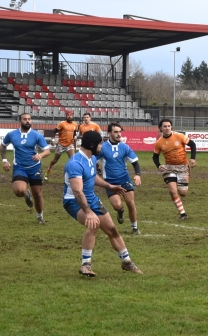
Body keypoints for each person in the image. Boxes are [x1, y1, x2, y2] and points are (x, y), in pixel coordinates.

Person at [63, 131, 143, 277]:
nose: (101, 146)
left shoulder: (91, 158)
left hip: (91, 198)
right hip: (74, 201)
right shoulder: (75, 163)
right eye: (99, 143)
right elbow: (77, 192)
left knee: (112, 229)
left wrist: (109, 186)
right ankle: (85, 265)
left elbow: (92, 178)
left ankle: (126, 262)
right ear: (92, 145)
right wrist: (88, 212)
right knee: (94, 224)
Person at [0, 113, 50, 224]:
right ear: (20, 121)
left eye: (29, 119)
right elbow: (3, 145)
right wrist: (4, 160)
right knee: (19, 191)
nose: (27, 121)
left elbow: (47, 150)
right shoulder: (12, 134)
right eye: (25, 119)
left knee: (37, 194)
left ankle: (40, 216)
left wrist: (40, 155)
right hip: (19, 167)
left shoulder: (37, 135)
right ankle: (26, 193)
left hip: (35, 167)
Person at [98, 122, 142, 234]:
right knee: (117, 205)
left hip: (124, 179)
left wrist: (137, 174)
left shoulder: (125, 147)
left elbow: (135, 162)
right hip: (110, 182)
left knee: (130, 202)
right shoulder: (102, 148)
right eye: (115, 132)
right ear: (109, 133)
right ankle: (120, 211)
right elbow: (93, 160)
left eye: (120, 132)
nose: (119, 134)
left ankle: (135, 228)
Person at [152, 118, 197, 220]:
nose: (167, 128)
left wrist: (193, 159)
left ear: (171, 127)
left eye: (169, 126)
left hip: (183, 167)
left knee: (183, 193)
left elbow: (192, 144)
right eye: (165, 126)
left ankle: (179, 188)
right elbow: (155, 157)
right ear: (160, 128)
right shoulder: (159, 142)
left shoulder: (179, 136)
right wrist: (159, 165)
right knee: (173, 190)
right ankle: (183, 214)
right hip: (169, 168)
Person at [44, 110, 78, 182]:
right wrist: (53, 139)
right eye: (68, 115)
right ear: (66, 116)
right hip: (61, 145)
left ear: (73, 116)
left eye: (71, 115)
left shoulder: (75, 124)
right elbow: (54, 131)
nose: (69, 116)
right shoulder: (62, 123)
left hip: (69, 145)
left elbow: (74, 132)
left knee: (73, 160)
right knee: (55, 160)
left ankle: (72, 176)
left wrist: (75, 137)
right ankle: (48, 171)